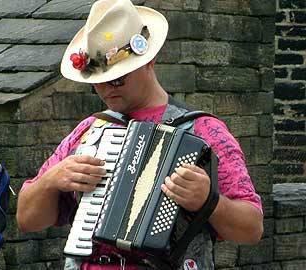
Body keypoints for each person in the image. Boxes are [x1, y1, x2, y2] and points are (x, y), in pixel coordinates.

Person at [16, 0, 264, 269]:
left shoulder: (204, 131)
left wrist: (210, 202)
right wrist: (51, 181)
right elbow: (27, 220)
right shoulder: (89, 131)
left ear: (150, 60)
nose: (107, 89)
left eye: (118, 78)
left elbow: (251, 229)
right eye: (97, 81)